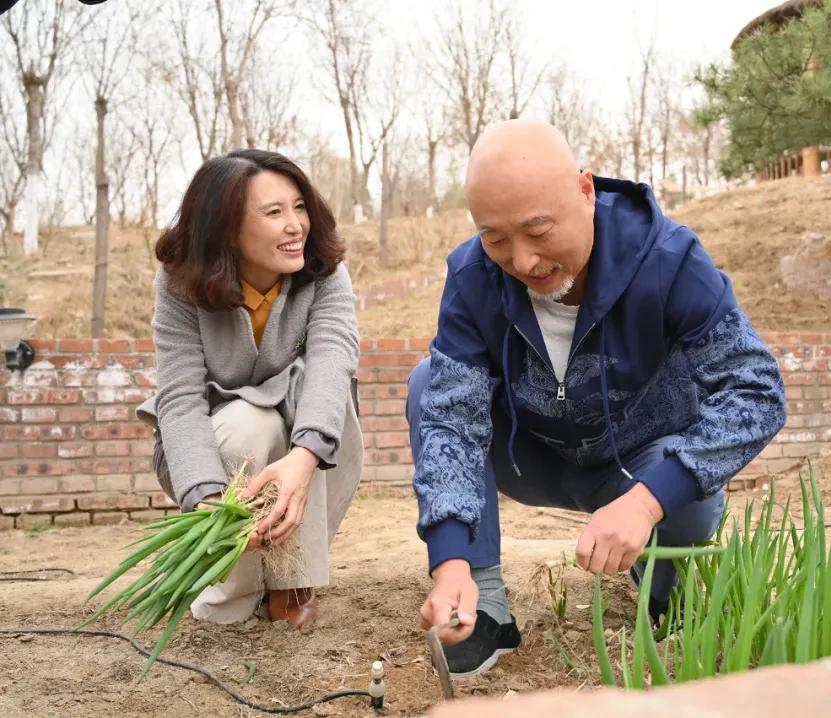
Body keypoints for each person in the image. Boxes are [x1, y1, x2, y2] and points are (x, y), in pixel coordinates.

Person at [406, 119, 787, 677]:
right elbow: (451, 420)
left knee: (691, 500)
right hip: (531, 457)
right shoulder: (472, 277)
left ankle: (660, 583)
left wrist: (647, 501)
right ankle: (482, 604)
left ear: (585, 191)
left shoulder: (668, 259)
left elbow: (755, 390)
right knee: (428, 383)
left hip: (639, 465)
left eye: (538, 230)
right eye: (496, 239)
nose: (523, 261)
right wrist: (450, 560)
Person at [137, 149, 363, 630]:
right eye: (274, 212)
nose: (296, 225)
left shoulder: (324, 271)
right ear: (226, 229)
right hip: (219, 439)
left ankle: (294, 580)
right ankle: (232, 584)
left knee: (325, 407)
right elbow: (180, 397)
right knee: (249, 422)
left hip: (304, 424)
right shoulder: (181, 284)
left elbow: (333, 359)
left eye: (299, 207)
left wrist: (304, 458)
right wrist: (207, 499)